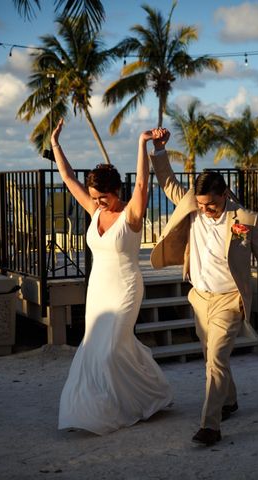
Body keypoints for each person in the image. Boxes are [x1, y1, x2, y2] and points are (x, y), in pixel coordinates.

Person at [148, 128, 258, 446]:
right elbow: (168, 181)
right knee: (213, 358)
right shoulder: (192, 206)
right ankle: (229, 401)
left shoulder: (246, 219)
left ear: (224, 194)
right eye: (200, 204)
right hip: (200, 298)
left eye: (210, 204)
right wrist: (159, 151)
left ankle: (210, 426)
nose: (204, 209)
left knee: (215, 360)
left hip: (230, 300)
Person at [50, 118, 173, 435]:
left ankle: (129, 401)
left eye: (102, 196)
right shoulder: (94, 210)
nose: (97, 200)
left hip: (126, 287)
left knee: (109, 349)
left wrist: (142, 145)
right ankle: (140, 395)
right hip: (98, 290)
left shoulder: (131, 213)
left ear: (116, 191)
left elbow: (143, 186)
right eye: (93, 195)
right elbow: (66, 177)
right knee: (97, 347)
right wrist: (55, 144)